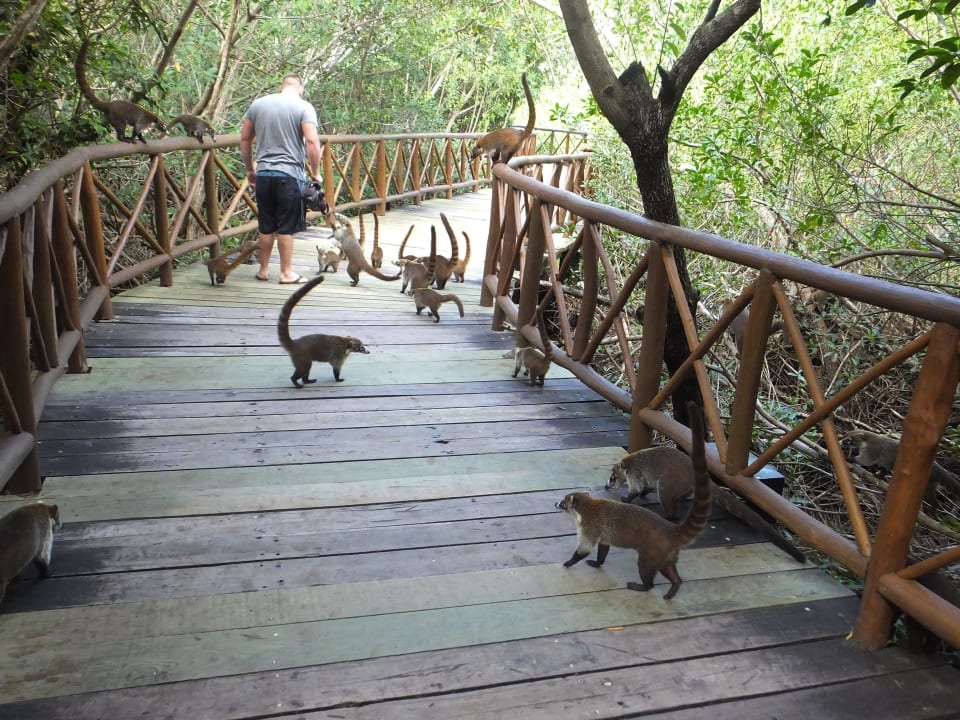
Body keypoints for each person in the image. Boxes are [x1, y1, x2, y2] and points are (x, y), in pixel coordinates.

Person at [240, 73, 323, 284]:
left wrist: (251, 170)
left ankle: (264, 270)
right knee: (286, 225)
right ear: (300, 89)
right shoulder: (303, 107)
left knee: (266, 224)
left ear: (280, 87)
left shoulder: (258, 105)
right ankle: (286, 273)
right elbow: (312, 142)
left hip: (264, 174)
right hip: (289, 175)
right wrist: (315, 172)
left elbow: (245, 138)